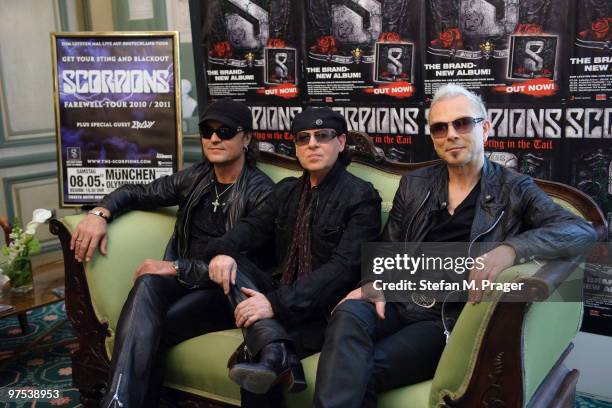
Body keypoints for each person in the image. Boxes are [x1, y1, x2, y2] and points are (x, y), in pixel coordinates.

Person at [313, 84, 598, 408]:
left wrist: (511, 250)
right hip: (396, 299)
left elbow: (581, 230)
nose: (451, 134)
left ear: (485, 128)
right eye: (440, 128)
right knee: (348, 311)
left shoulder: (514, 188)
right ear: (433, 137)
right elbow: (388, 249)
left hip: (443, 318)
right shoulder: (415, 183)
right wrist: (374, 281)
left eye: (462, 123)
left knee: (366, 366)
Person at [70, 98, 274, 408]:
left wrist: (176, 268)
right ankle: (117, 402)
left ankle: (126, 401)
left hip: (223, 292)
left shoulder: (262, 192)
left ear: (246, 139)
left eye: (226, 131)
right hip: (183, 278)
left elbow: (249, 268)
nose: (215, 138)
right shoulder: (195, 177)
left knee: (155, 325)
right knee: (149, 282)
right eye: (207, 131)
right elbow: (136, 192)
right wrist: (100, 213)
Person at [201, 107, 382, 407]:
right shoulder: (286, 191)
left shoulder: (361, 196)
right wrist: (222, 251)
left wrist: (273, 303)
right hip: (281, 296)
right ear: (296, 148)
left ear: (341, 142)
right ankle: (274, 345)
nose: (312, 144)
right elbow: (250, 228)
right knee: (234, 263)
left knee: (254, 355)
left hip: (323, 312)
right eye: (303, 138)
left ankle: (272, 347)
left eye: (322, 136)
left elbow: (343, 270)